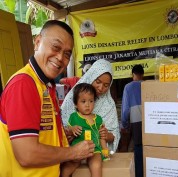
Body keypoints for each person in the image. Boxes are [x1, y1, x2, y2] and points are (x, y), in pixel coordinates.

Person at [0, 20, 95, 177]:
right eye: (56, 47)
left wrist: (61, 135)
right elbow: (27, 154)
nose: (60, 58)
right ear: (37, 42)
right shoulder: (24, 84)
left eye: (66, 54)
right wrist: (73, 152)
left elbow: (39, 131)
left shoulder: (45, 85)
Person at [61, 59, 120, 153]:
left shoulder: (109, 105)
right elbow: (62, 126)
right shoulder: (73, 96)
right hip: (74, 153)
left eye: (106, 85)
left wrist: (107, 135)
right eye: (98, 81)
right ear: (92, 76)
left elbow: (114, 133)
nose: (101, 88)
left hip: (97, 153)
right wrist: (69, 133)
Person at [61, 83, 109, 177]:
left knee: (96, 165)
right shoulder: (73, 117)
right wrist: (72, 128)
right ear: (76, 104)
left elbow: (101, 137)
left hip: (94, 149)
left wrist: (105, 151)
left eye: (91, 101)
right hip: (77, 150)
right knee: (67, 167)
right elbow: (67, 129)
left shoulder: (98, 119)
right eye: (83, 101)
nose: (87, 105)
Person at [121, 64, 144, 177]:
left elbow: (125, 110)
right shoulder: (147, 85)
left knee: (138, 149)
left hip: (135, 122)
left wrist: (125, 124)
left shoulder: (128, 87)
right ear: (143, 74)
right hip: (149, 122)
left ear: (133, 74)